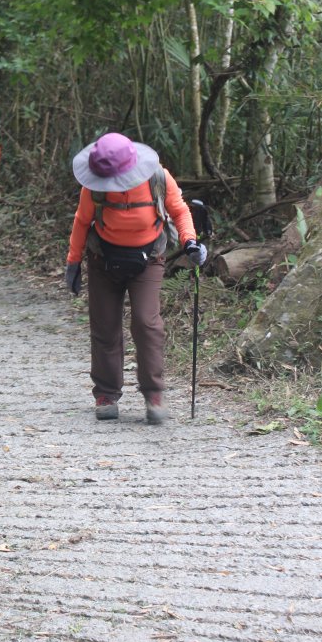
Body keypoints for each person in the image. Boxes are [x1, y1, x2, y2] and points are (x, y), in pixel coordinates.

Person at [65, 132, 207, 424]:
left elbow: (180, 211)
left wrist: (190, 242)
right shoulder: (94, 186)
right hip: (103, 260)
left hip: (148, 259)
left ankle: (154, 395)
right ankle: (106, 395)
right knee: (105, 327)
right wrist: (73, 263)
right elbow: (82, 221)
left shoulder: (158, 178)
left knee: (146, 323)